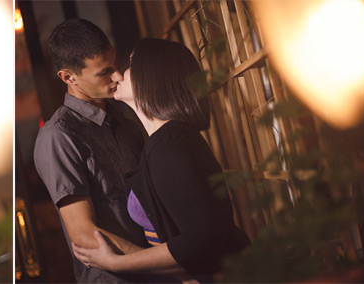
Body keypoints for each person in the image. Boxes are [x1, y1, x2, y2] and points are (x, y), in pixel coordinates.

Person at [71, 38, 251, 282]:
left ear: (151, 76)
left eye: (131, 64)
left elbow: (201, 240)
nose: (119, 74)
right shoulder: (165, 141)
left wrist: (117, 262)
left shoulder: (170, 145)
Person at [33, 19, 150, 283]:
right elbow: (84, 234)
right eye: (104, 72)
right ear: (68, 77)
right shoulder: (59, 136)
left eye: (115, 64)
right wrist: (161, 265)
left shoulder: (124, 119)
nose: (118, 76)